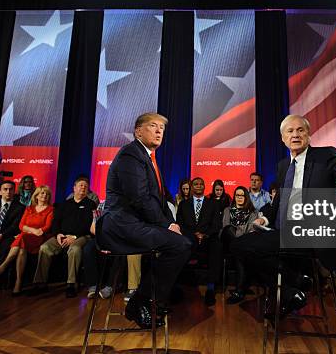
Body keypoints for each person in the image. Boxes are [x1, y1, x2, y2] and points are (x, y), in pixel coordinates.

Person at [230, 114, 336, 317]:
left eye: (300, 130)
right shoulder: (282, 166)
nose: (295, 134)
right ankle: (293, 288)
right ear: (283, 138)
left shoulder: (326, 156)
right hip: (285, 232)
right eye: (290, 131)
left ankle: (292, 286)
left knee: (261, 253)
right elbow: (279, 201)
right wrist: (265, 218)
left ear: (309, 135)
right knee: (239, 245)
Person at [98, 113, 192, 329]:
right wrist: (166, 225)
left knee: (186, 241)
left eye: (162, 128)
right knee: (180, 245)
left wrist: (172, 223)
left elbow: (160, 198)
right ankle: (141, 302)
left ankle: (155, 298)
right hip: (121, 226)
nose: (159, 131)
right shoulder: (131, 155)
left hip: (138, 224)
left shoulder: (148, 158)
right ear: (138, 131)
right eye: (153, 126)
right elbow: (139, 198)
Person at [30, 177, 96, 298]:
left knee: (74, 250)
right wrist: (58, 234)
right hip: (62, 235)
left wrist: (74, 237)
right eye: (81, 185)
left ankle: (71, 284)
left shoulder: (91, 204)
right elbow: (56, 222)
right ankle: (40, 283)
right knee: (45, 247)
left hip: (81, 236)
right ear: (74, 188)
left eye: (86, 186)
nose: (83, 187)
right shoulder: (64, 204)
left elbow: (88, 225)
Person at [0, 185, 54, 296]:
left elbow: (46, 227)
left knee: (21, 238)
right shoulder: (29, 208)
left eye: (47, 194)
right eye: (42, 193)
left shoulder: (51, 210)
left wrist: (30, 231)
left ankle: (3, 266)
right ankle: (18, 282)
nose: (45, 196)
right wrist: (32, 230)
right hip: (27, 236)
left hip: (39, 238)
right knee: (21, 250)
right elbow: (21, 225)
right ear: (36, 196)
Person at [177, 177, 223, 306]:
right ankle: (177, 287)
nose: (198, 186)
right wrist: (194, 235)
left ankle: (210, 288)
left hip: (208, 238)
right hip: (189, 238)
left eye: (201, 184)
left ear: (204, 186)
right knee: (178, 246)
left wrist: (205, 234)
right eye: (195, 184)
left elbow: (216, 224)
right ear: (192, 187)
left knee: (217, 246)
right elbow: (180, 224)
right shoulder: (183, 204)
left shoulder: (213, 203)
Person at [222, 186, 266, 304]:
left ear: (246, 197)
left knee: (240, 252)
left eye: (242, 195)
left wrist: (239, 232)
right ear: (234, 197)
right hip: (229, 242)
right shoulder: (227, 210)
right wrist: (240, 231)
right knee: (229, 230)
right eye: (237, 195)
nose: (239, 198)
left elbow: (251, 230)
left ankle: (239, 291)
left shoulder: (253, 212)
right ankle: (240, 290)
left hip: (244, 244)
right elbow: (225, 227)